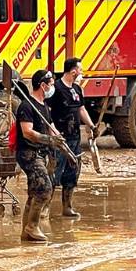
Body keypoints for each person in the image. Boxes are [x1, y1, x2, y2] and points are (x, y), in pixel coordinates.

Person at [48, 57, 96, 218]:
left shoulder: (76, 89)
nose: (81, 73)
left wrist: (91, 125)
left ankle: (67, 207)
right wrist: (51, 130)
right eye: (80, 70)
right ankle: (44, 208)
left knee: (72, 172)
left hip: (75, 138)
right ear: (73, 71)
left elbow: (81, 109)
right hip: (60, 138)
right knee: (55, 172)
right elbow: (46, 111)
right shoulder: (56, 89)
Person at [16, 69, 58, 242]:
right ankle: (33, 226)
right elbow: (27, 132)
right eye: (50, 84)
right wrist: (48, 139)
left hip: (41, 152)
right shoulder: (27, 106)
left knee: (34, 190)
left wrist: (57, 138)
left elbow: (51, 127)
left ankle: (26, 232)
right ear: (42, 85)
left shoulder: (44, 106)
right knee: (44, 189)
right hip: (28, 153)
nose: (52, 87)